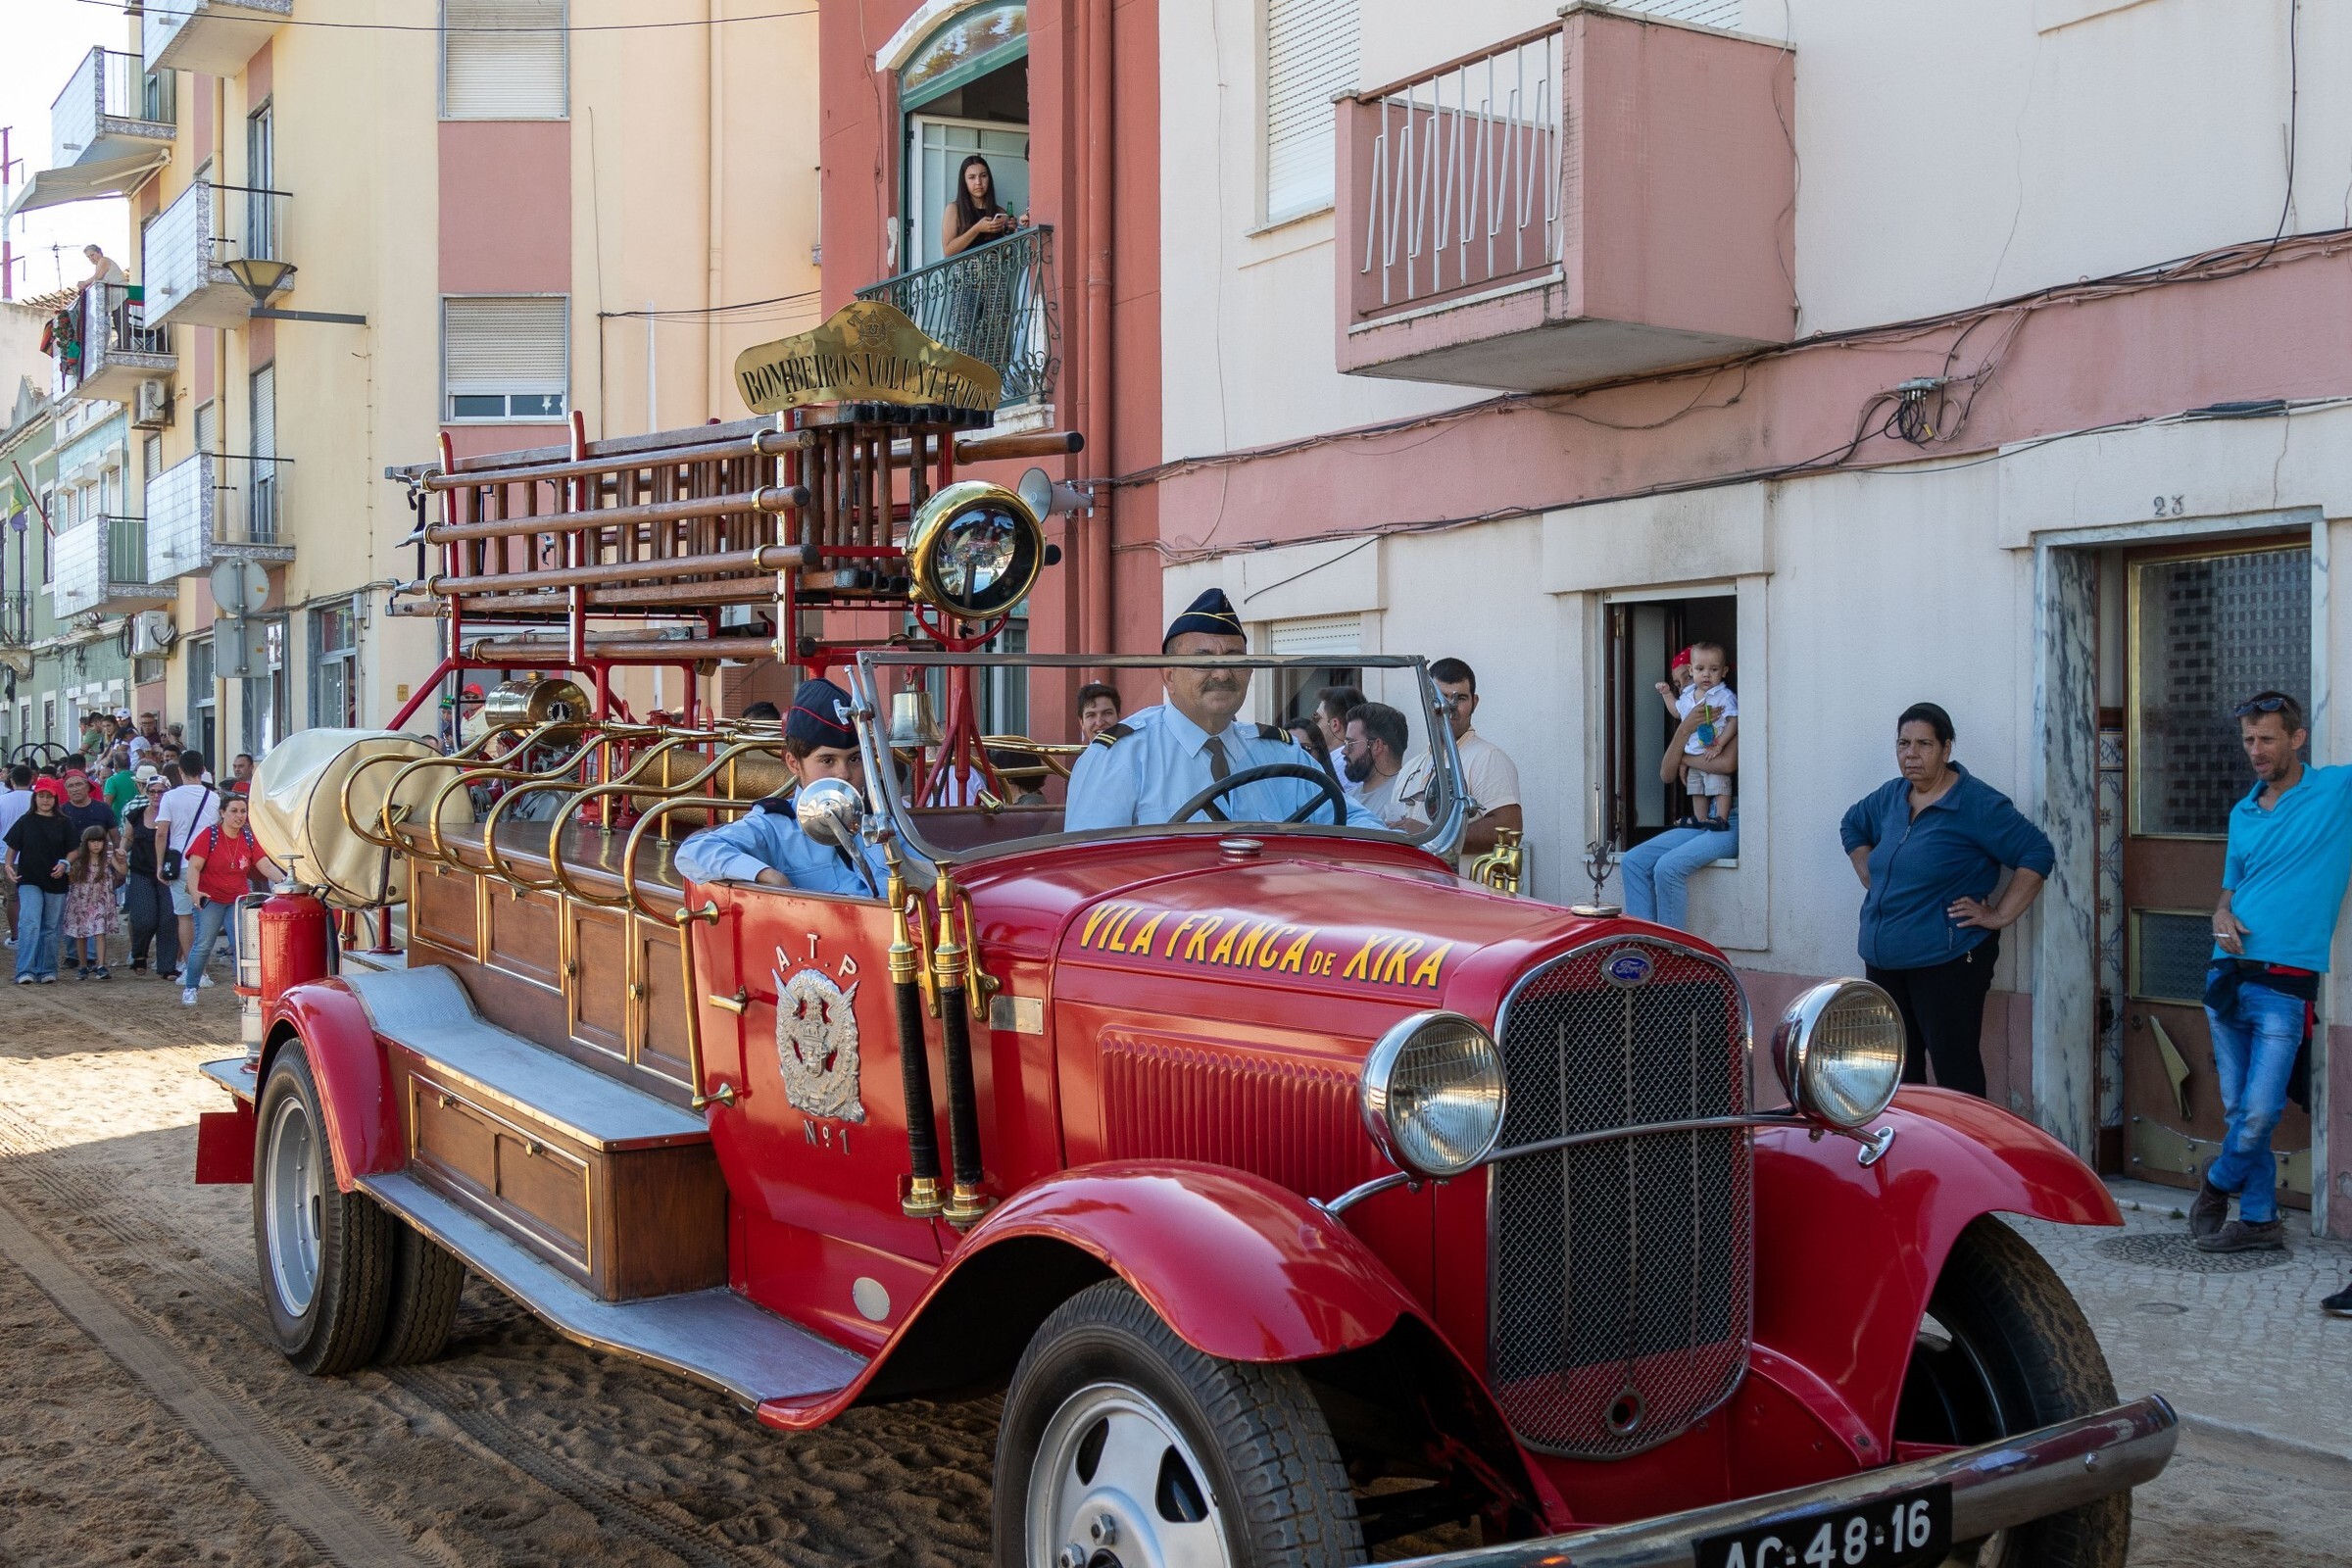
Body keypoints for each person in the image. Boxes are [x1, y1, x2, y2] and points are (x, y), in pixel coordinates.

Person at [2190, 692, 2352, 1258]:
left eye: (2266, 739)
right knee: (2240, 1109)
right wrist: (2220, 914)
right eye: (2248, 741)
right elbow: (2230, 891)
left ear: (2297, 739)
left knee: (2260, 1111)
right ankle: (2259, 1220)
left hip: (2285, 984)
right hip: (2227, 975)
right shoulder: (2244, 811)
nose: (2255, 751)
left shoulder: (2336, 790)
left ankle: (2216, 1182)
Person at [1838, 703, 2053, 1099]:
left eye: (1924, 744)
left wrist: (1999, 915)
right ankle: (1907, 1140)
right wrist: (1868, 870)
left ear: (1946, 748)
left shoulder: (1976, 803)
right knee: (1896, 1073)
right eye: (1903, 743)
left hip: (1947, 961)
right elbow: (1852, 823)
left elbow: (2036, 852)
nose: (1911, 754)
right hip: (1884, 963)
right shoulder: (1891, 796)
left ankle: (1966, 1140)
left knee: (1955, 1072)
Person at [1065, 591, 1380, 833]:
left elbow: (1354, 821)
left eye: (1234, 659)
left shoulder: (1281, 754)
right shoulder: (1120, 758)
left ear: (1250, 671)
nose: (1222, 673)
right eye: (1203, 661)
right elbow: (1088, 869)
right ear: (1169, 675)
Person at [673, 679, 890, 897]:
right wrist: (765, 874)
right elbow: (693, 851)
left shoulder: (886, 819)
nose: (844, 773)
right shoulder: (775, 827)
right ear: (794, 763)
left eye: (854, 759)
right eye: (827, 760)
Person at [1622, 706, 1742, 930]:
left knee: (1668, 868)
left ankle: (1670, 948)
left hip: (1732, 820)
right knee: (1633, 861)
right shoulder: (1691, 726)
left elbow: (1727, 764)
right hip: (1703, 818)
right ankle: (1643, 944)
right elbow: (1666, 774)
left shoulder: (1728, 714)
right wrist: (1684, 729)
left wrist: (1685, 759)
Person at [1397, 658, 1523, 862]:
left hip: (1460, 883)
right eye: (1442, 697)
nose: (1449, 707)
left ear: (1475, 702)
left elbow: (1508, 830)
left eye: (1461, 698)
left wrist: (1431, 835)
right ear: (1426, 700)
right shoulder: (1410, 768)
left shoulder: (1488, 758)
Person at [179, 792, 281, 1005]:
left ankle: (245, 991)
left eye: (243, 811)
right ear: (222, 812)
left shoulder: (248, 838)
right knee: (204, 944)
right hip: (211, 898)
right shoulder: (210, 835)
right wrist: (195, 892)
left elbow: (265, 865)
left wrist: (286, 881)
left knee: (242, 945)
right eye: (234, 811)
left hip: (238, 899)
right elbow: (194, 866)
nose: (239, 816)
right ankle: (191, 987)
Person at [1654, 642, 1737, 830]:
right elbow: (1676, 711)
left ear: (1723, 671)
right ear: (1694, 670)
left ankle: (1721, 819)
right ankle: (1700, 819)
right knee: (1696, 788)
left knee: (1719, 785)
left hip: (1713, 752)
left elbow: (1733, 723)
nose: (1706, 675)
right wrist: (1667, 694)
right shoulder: (1688, 696)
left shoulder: (1723, 696)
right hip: (1694, 751)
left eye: (1713, 669)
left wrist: (1719, 744)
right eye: (1700, 669)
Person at [154, 748, 220, 972]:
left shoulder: (170, 797)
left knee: (185, 918)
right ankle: (202, 967)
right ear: (203, 770)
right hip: (208, 864)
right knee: (206, 918)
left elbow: (162, 832)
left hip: (181, 863)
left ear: (180, 770)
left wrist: (160, 864)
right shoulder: (213, 798)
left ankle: (192, 968)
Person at [5, 784, 76, 984]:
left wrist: (65, 863)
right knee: (29, 922)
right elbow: (12, 847)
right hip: (29, 878)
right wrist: (9, 865)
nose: (45, 800)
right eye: (41, 796)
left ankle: (47, 969)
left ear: (55, 799)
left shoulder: (64, 822)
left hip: (55, 880)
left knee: (51, 927)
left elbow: (74, 849)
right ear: (35, 798)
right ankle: (24, 970)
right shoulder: (25, 821)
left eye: (49, 796)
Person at [121, 770, 179, 979]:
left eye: (161, 792)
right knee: (144, 918)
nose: (156, 795)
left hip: (167, 873)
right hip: (141, 872)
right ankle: (139, 954)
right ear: (146, 792)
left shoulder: (174, 816)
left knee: (168, 918)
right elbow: (128, 838)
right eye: (152, 791)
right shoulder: (136, 814)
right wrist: (121, 851)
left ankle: (167, 966)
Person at [1343, 703, 1418, 829]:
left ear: (1377, 746)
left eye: (1350, 744)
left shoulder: (1409, 798)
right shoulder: (1348, 800)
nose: (1344, 751)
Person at [61, 825, 121, 980]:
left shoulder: (108, 857)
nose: (96, 845)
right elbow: (71, 878)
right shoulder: (79, 859)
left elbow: (123, 870)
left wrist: (122, 859)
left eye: (99, 841)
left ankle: (101, 965)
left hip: (101, 900)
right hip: (81, 901)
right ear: (86, 843)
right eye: (93, 841)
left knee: (100, 931)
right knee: (81, 934)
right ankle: (83, 966)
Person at [940, 154, 1022, 260]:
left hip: (994, 269)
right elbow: (948, 251)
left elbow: (1005, 255)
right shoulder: (954, 209)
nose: (978, 182)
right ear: (964, 181)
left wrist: (1010, 233)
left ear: (989, 178)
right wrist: (977, 229)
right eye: (971, 177)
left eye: (983, 176)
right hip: (966, 269)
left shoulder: (1000, 212)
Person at [0, 763, 31, 949]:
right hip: (34, 856)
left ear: (12, 781)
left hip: (7, 856)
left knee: (13, 898)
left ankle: (16, 936)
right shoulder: (38, 799)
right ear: (31, 779)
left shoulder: (2, 801)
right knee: (33, 896)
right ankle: (33, 934)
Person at [1314, 685, 1367, 796]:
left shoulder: (1342, 765)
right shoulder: (1354, 761)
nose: (1313, 726)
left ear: (1334, 724)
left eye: (1316, 718)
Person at [103, 747, 140, 821]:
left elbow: (107, 805)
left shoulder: (112, 780)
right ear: (130, 764)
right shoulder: (139, 779)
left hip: (118, 821)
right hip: (138, 820)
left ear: (115, 766)